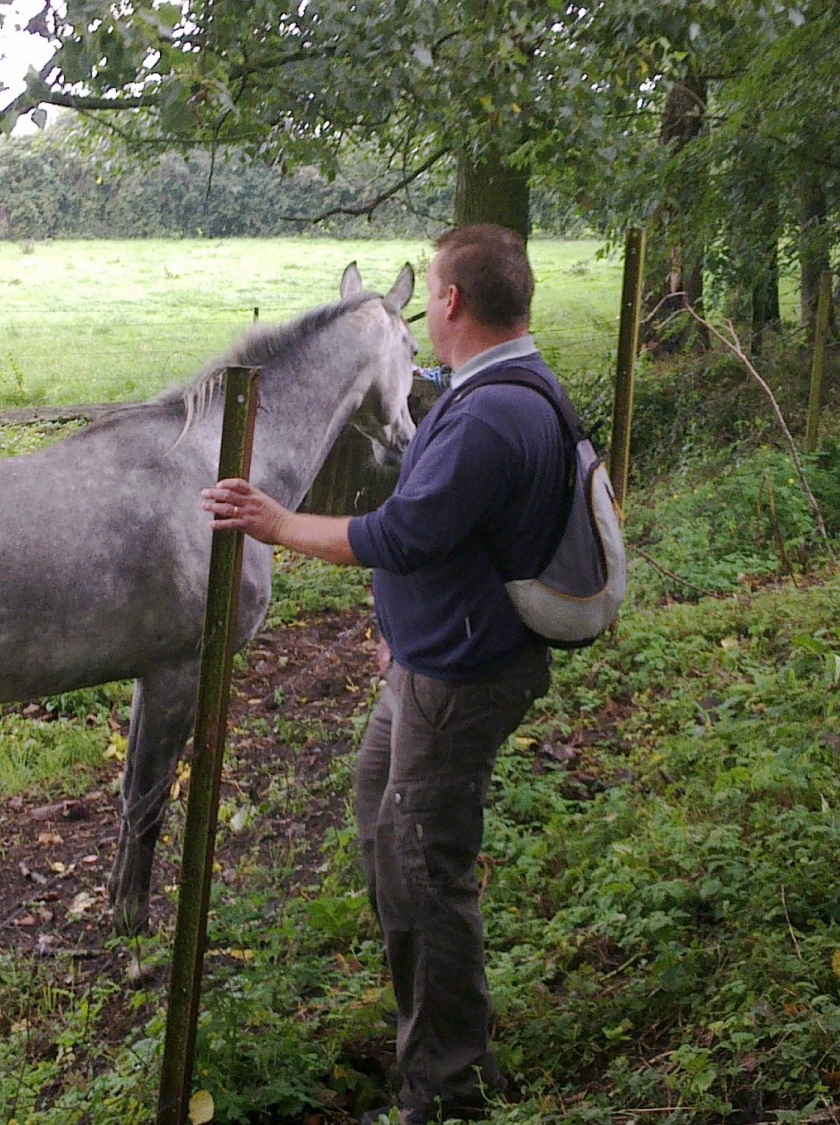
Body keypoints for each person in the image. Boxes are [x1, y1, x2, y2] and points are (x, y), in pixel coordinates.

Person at [201, 224, 572, 1125]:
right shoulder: (487, 389)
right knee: (384, 819)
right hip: (427, 658)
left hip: (457, 676)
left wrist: (274, 522)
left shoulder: (492, 413)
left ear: (446, 301)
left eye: (432, 286)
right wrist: (397, 628)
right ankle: (433, 1020)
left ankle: (447, 1081)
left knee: (422, 863)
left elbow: (401, 533)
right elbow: (433, 525)